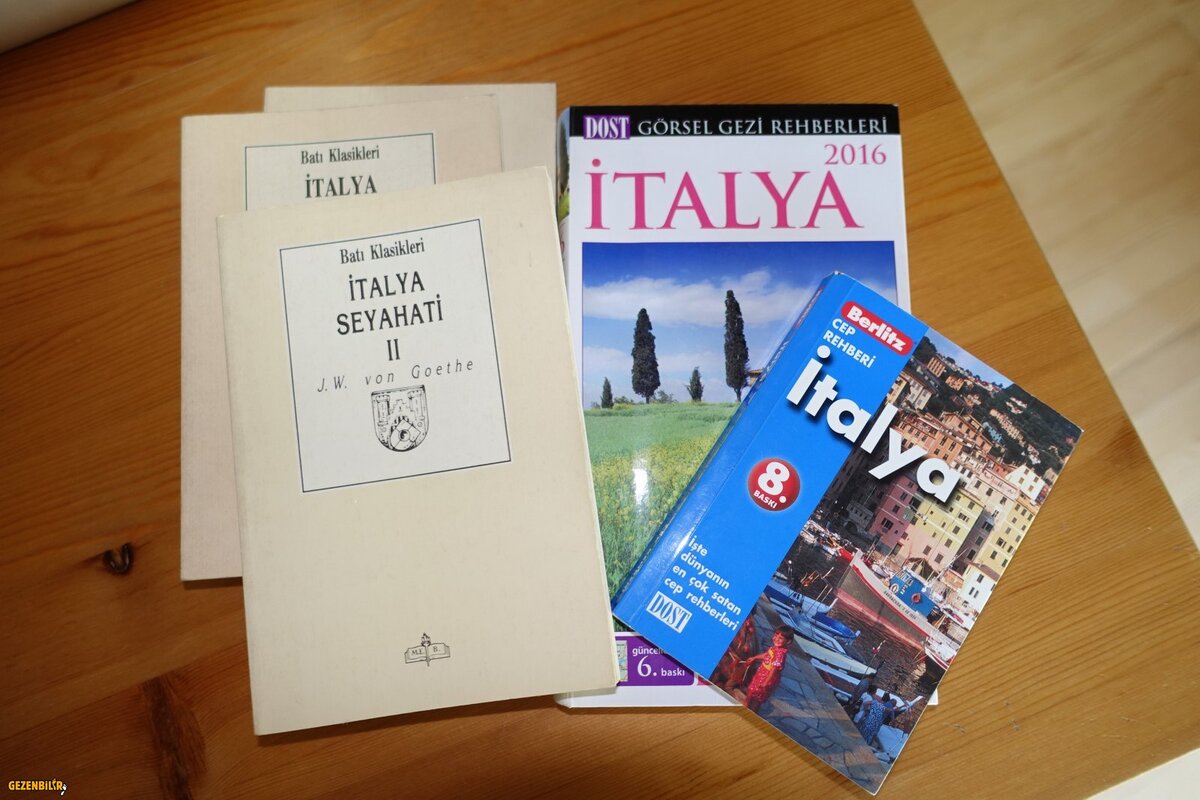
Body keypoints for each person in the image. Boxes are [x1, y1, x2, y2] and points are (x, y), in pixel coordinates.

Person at [740, 626, 794, 712]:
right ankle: (745, 708)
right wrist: (754, 658)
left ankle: (749, 713)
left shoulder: (780, 654)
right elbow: (767, 655)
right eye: (775, 636)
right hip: (761, 675)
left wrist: (766, 682)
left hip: (766, 678)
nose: (776, 639)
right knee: (751, 694)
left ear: (788, 641)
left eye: (780, 638)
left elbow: (774, 669)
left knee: (756, 700)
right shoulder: (776, 648)